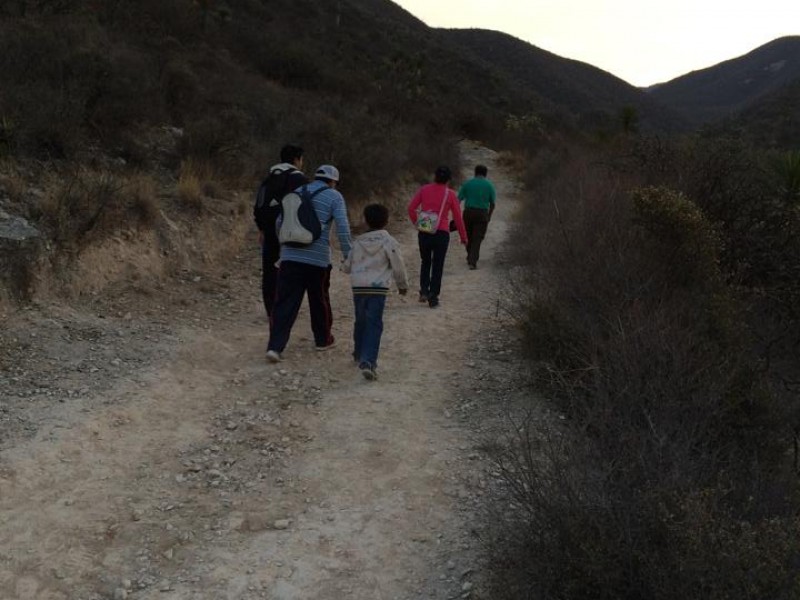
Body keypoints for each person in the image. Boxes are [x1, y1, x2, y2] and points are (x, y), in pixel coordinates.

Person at [266, 165, 352, 363]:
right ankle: (323, 340)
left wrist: (285, 248)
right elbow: (343, 228)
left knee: (284, 302)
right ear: (333, 182)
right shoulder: (334, 196)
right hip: (318, 259)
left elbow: (280, 222)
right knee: (319, 300)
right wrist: (348, 255)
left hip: (289, 258)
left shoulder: (296, 192)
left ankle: (275, 347)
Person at [342, 203, 409, 381]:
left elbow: (347, 266)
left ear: (365, 220)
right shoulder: (389, 241)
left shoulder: (358, 242)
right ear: (386, 221)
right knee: (374, 323)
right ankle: (368, 362)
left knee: (361, 320)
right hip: (377, 288)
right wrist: (402, 285)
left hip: (358, 287)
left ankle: (358, 352)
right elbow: (398, 265)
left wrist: (349, 267)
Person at [253, 144, 307, 317]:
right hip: (290, 232)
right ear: (297, 159)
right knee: (290, 270)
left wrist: (261, 228)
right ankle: (285, 308)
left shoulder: (269, 178)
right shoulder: (298, 179)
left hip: (268, 231)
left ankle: (271, 308)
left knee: (269, 270)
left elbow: (258, 205)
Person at [407, 166, 467, 309]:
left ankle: (423, 291)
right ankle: (433, 296)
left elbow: (411, 208)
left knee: (425, 261)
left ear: (434, 176)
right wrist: (463, 237)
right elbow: (458, 217)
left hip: (425, 230)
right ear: (448, 179)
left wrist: (418, 223)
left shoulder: (424, 189)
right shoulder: (451, 194)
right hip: (442, 233)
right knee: (438, 265)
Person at [457, 164, 496, 270]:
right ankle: (472, 260)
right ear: (485, 174)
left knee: (468, 236)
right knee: (477, 238)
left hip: (468, 212)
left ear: (475, 172)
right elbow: (492, 203)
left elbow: (458, 199)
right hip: (482, 213)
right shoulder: (489, 185)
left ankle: (470, 255)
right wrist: (489, 216)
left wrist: (456, 213)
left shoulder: (467, 184)